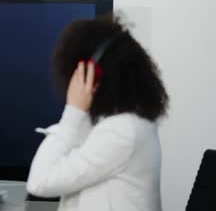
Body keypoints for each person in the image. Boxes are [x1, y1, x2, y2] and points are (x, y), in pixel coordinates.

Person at [26, 16, 169, 211]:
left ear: (92, 73)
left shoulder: (123, 130)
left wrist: (73, 112)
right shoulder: (123, 123)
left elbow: (39, 182)